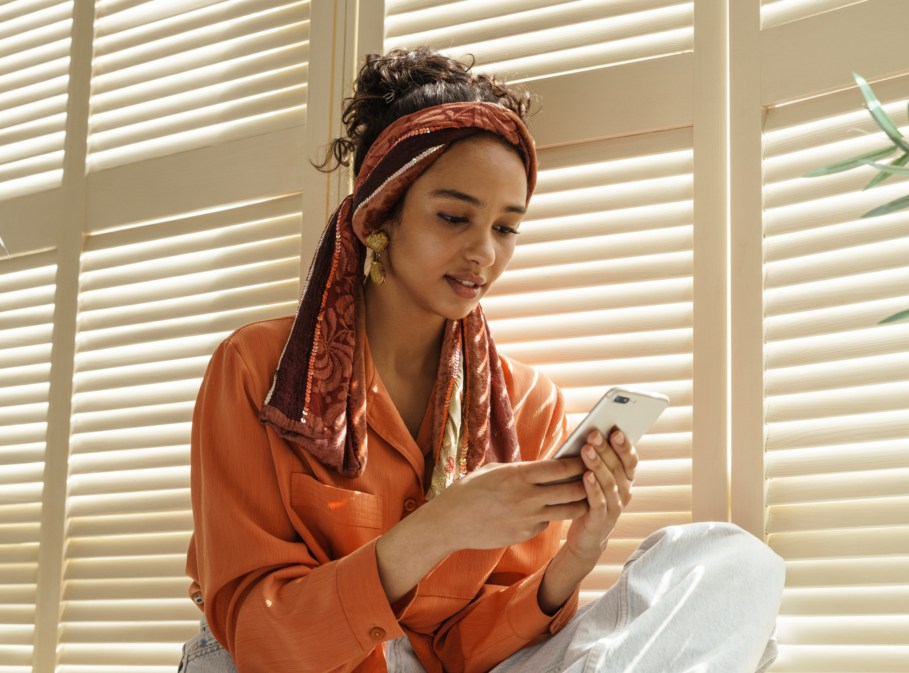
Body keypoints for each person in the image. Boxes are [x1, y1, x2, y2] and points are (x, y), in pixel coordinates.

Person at [178, 46, 784, 673]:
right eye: (454, 217)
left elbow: (470, 651)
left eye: (505, 228)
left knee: (730, 565)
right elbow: (260, 637)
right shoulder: (256, 369)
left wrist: (577, 554)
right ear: (381, 212)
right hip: (286, 662)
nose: (484, 254)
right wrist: (441, 526)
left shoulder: (527, 404)